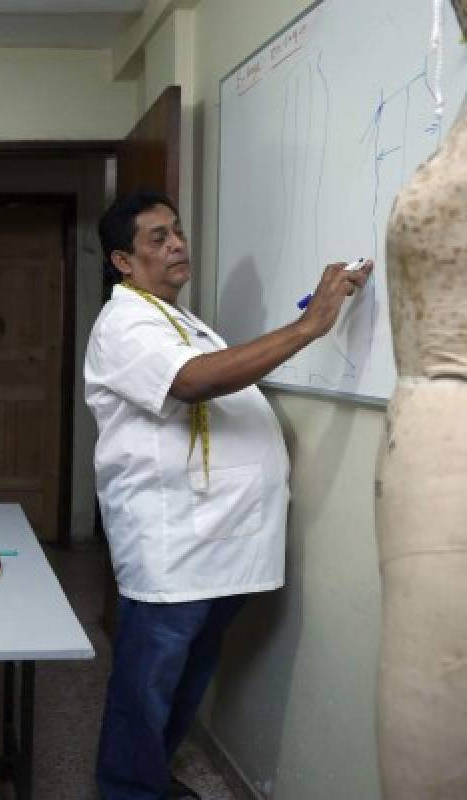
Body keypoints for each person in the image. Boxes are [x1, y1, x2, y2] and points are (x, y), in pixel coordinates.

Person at [85, 191, 372, 800]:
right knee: (148, 683)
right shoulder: (123, 323)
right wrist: (308, 326)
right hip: (174, 543)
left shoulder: (175, 317)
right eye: (157, 239)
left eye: (178, 231)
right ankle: (125, 790)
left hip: (217, 540)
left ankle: (148, 779)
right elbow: (191, 383)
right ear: (123, 261)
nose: (177, 244)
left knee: (188, 675)